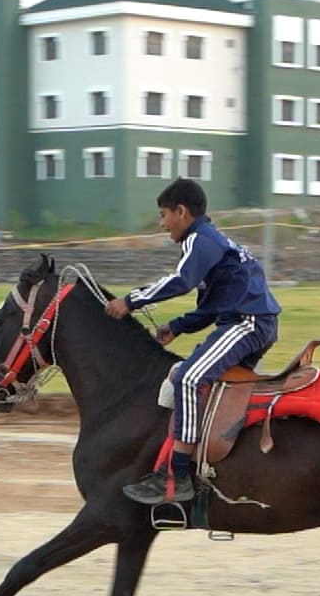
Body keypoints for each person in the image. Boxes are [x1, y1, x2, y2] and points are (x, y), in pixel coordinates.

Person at [106, 179, 282, 504]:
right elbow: (212, 307)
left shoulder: (199, 240)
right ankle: (217, 462)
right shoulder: (213, 243)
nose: (162, 224)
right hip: (251, 321)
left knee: (188, 377)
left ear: (181, 212)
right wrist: (177, 326)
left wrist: (130, 301)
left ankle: (178, 475)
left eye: (163, 215)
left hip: (248, 323)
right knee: (189, 379)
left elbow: (181, 281)